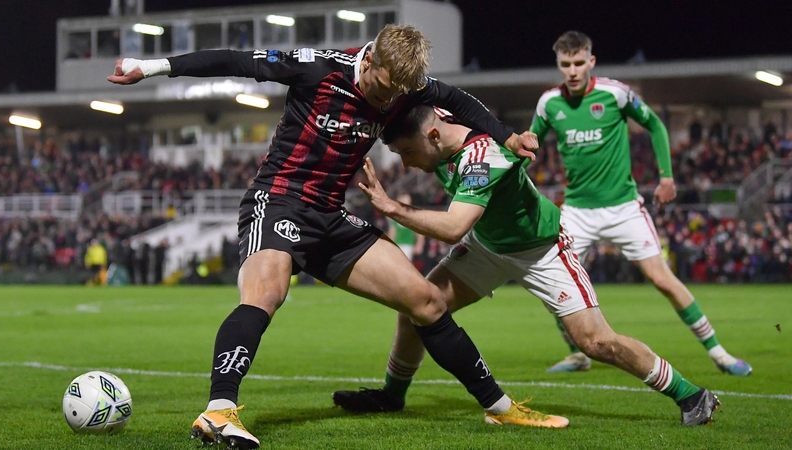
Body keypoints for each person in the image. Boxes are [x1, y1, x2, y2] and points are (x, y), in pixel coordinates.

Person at [108, 24, 552, 450]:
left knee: (426, 301)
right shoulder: (317, 68)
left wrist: (507, 137)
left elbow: (459, 99)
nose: (391, 97)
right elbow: (234, 60)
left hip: (330, 219)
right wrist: (152, 67)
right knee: (266, 294)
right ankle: (219, 410)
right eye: (386, 84)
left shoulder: (405, 86)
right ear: (371, 57)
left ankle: (500, 407)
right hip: (279, 201)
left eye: (401, 90)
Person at [332, 105, 720, 426]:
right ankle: (392, 397)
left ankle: (692, 396)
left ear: (433, 136)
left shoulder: (483, 159)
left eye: (407, 153)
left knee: (596, 342)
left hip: (541, 250)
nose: (406, 164)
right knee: (417, 304)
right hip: (487, 244)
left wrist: (393, 208)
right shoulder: (442, 122)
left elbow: (452, 228)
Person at [529, 31, 751, 375]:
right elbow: (531, 146)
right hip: (576, 211)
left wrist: (666, 176)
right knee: (555, 285)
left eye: (578, 63)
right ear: (558, 65)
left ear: (591, 61)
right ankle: (577, 353)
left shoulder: (615, 93)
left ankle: (719, 353)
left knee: (662, 279)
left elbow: (656, 125)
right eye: (565, 64)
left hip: (624, 208)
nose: (572, 71)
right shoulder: (548, 103)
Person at [386, 193, 425, 261]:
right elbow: (392, 232)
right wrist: (389, 245)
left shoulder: (412, 217)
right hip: (397, 245)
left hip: (408, 245)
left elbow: (420, 232)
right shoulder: (394, 217)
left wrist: (419, 244)